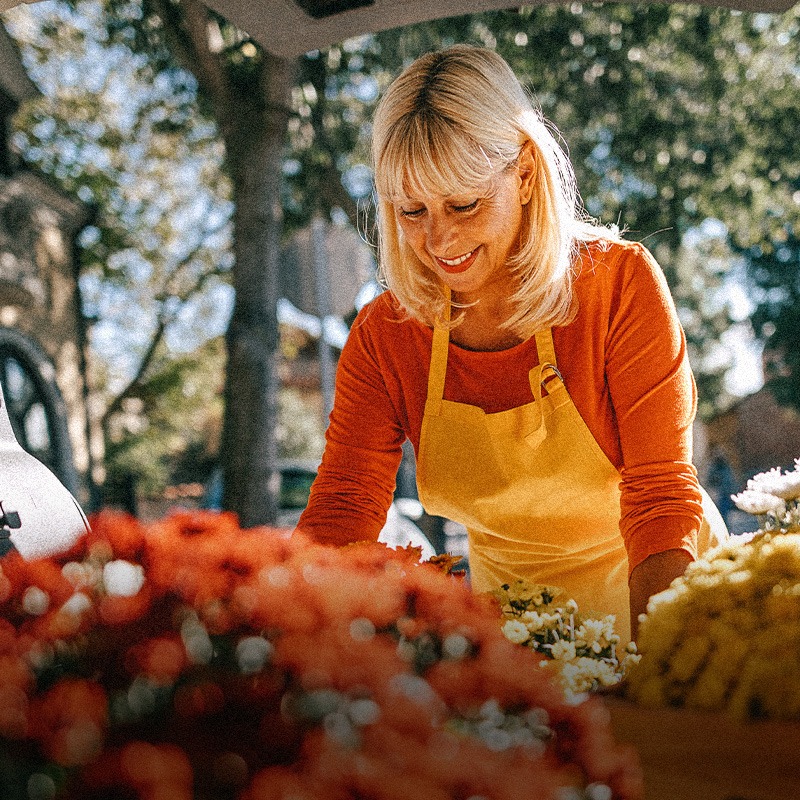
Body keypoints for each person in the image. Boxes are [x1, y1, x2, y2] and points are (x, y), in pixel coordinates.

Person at [295, 44, 728, 643]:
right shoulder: (386, 335)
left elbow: (659, 498)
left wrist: (659, 664)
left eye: (464, 203)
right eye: (412, 210)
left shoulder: (616, 284)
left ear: (524, 173)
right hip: (515, 625)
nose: (439, 239)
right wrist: (285, 629)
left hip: (666, 596)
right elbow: (344, 508)